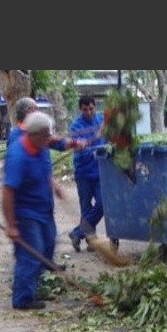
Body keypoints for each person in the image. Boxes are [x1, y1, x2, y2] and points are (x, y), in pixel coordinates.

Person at [2, 111, 75, 310]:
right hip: (25, 214)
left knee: (48, 246)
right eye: (45, 136)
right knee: (31, 254)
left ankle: (36, 286)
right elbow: (7, 191)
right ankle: (23, 298)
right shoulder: (18, 155)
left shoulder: (40, 146)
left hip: (44, 209)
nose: (48, 139)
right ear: (34, 135)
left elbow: (44, 170)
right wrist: (10, 225)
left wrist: (55, 186)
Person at [56, 95, 108, 253]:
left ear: (95, 106)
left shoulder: (101, 122)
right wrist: (85, 147)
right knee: (85, 207)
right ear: (80, 109)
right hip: (83, 172)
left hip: (99, 171)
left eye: (91, 109)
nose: (89, 112)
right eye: (85, 110)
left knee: (102, 203)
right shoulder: (76, 126)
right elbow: (81, 152)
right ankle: (91, 241)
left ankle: (77, 233)